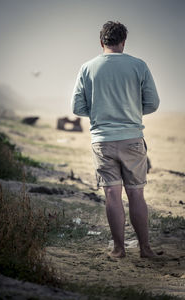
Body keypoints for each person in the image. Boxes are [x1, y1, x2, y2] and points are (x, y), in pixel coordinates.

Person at [71, 21, 160, 258]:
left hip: (102, 140)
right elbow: (152, 103)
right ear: (123, 42)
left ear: (101, 42)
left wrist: (101, 111)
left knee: (112, 194)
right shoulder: (138, 65)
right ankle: (145, 249)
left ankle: (119, 249)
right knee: (136, 194)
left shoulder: (87, 68)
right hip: (132, 138)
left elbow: (77, 107)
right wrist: (130, 111)